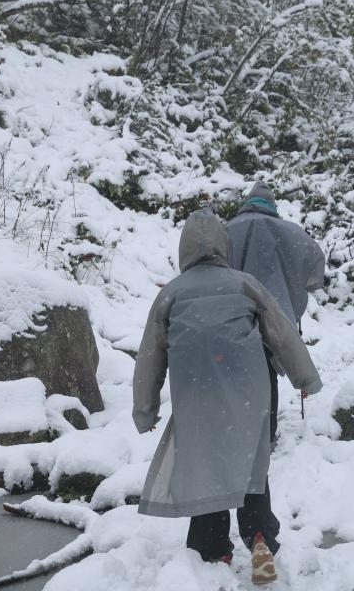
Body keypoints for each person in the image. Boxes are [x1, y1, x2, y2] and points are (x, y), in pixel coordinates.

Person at [132, 210, 322, 584]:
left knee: (204, 468)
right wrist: (305, 378)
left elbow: (150, 356)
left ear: (184, 250)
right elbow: (281, 333)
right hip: (247, 389)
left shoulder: (171, 293)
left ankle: (211, 551)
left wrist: (145, 410)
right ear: (224, 246)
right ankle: (260, 540)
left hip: (195, 395)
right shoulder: (244, 284)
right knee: (250, 466)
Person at [225, 181, 325, 444]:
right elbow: (314, 256)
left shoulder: (227, 231)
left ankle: (238, 428)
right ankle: (266, 434)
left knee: (236, 371)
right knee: (268, 371)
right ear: (272, 205)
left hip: (235, 312)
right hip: (274, 313)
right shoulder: (287, 232)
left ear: (247, 202)